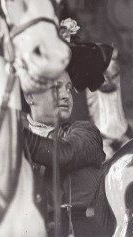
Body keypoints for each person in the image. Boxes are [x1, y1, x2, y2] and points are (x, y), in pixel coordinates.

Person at [22, 19, 112, 237]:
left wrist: (15, 134)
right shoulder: (10, 140)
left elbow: (64, 154)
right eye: (56, 87)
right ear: (29, 96)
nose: (65, 94)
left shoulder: (85, 133)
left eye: (69, 88)